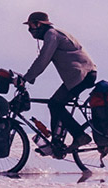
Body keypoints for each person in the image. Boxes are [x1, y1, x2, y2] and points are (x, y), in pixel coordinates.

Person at [19, 11, 96, 156]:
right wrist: (29, 78)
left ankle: (80, 135)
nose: (30, 30)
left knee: (55, 104)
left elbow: (43, 60)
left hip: (81, 75)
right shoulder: (53, 34)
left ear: (39, 24)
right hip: (80, 75)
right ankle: (56, 143)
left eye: (32, 26)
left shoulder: (51, 35)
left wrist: (27, 78)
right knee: (54, 103)